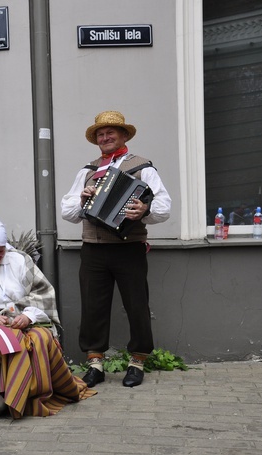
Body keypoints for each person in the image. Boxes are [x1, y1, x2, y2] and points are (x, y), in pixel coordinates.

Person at [61, 110, 171, 388]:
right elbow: (68, 212)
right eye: (101, 134)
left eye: (111, 132)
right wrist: (83, 199)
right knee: (93, 306)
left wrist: (143, 210)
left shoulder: (142, 166)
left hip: (129, 247)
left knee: (136, 305)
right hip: (93, 249)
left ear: (123, 136)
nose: (105, 137)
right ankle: (95, 363)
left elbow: (163, 207)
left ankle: (137, 362)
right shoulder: (87, 171)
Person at [0, 220, 93, 418]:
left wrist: (27, 316)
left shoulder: (20, 261)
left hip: (27, 321)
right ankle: (21, 400)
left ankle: (42, 395)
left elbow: (44, 294)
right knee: (16, 343)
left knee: (40, 338)